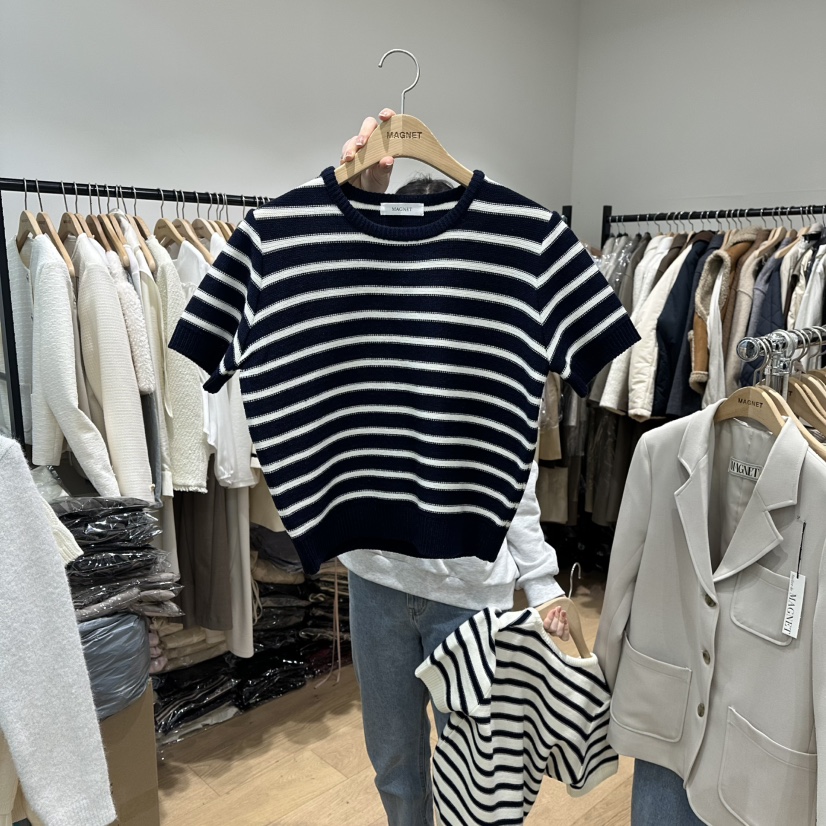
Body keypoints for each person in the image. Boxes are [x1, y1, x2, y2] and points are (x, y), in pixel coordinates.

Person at [338, 109, 571, 826]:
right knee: (396, 765)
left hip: (472, 590)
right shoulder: (361, 319)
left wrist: (541, 579)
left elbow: (515, 467)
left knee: (480, 771)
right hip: (376, 580)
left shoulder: (494, 326)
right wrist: (350, 199)